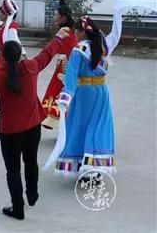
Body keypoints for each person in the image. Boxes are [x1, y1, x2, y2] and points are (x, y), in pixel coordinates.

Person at [0, 28, 69, 220]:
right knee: (31, 161)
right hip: (32, 126)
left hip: (10, 131)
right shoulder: (31, 67)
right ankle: (32, 194)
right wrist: (57, 38)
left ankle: (18, 208)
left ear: (3, 57)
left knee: (13, 170)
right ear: (20, 53)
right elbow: (46, 55)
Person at [51, 12, 123, 177]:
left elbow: (71, 76)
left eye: (77, 31)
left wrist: (65, 97)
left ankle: (82, 166)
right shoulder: (103, 46)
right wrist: (118, 14)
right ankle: (95, 167)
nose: (75, 34)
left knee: (80, 127)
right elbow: (116, 34)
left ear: (83, 32)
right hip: (101, 92)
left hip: (84, 94)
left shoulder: (78, 50)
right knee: (98, 126)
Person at [40, 0, 77, 130]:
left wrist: (67, 72)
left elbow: (71, 52)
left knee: (59, 92)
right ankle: (53, 120)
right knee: (55, 91)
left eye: (56, 15)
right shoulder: (67, 27)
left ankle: (57, 120)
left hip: (66, 67)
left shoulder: (66, 32)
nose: (54, 17)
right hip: (62, 65)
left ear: (63, 18)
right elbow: (65, 10)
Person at [0, 0, 28, 115]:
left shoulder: (11, 27)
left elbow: (17, 43)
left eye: (1, 11)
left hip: (7, 60)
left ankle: (6, 107)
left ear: (7, 14)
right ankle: (2, 106)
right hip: (2, 58)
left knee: (1, 84)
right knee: (0, 85)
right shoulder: (5, 25)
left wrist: (25, 58)